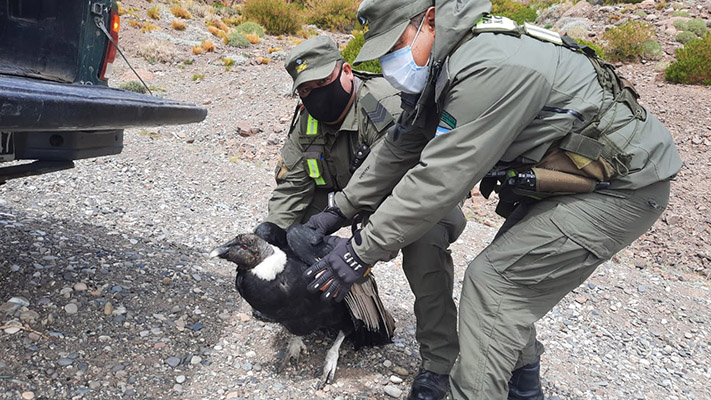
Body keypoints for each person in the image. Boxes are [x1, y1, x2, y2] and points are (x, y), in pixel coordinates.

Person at [301, 1, 682, 400]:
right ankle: (523, 387)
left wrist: (360, 252)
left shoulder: (488, 66)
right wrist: (337, 211)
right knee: (513, 279)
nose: (391, 61)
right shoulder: (446, 61)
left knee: (497, 284)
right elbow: (403, 144)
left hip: (623, 187)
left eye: (395, 43)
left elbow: (439, 179)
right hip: (574, 179)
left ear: (429, 20)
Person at [259, 35, 468, 399]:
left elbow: (417, 189)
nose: (314, 96)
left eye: (321, 84)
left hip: (415, 201)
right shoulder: (308, 120)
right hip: (344, 203)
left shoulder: (386, 107)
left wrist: (361, 248)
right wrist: (266, 254)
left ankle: (438, 362)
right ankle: (318, 311)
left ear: (345, 70)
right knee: (289, 234)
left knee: (425, 247)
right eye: (304, 90)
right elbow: (292, 188)